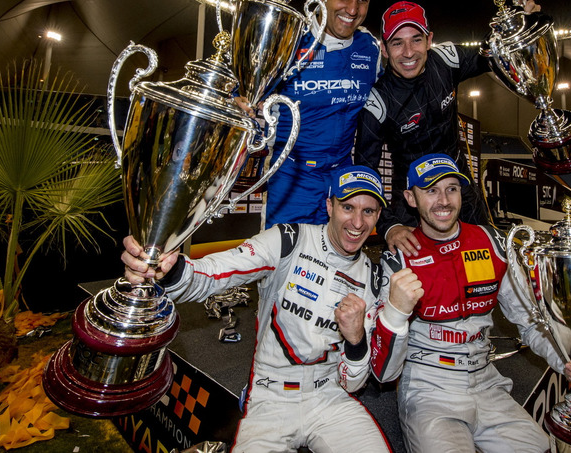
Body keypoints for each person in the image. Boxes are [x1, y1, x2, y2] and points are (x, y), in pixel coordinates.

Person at [122, 165, 392, 453]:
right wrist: (171, 271)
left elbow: (353, 383)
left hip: (331, 398)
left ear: (378, 216)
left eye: (369, 211)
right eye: (348, 207)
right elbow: (216, 272)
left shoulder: (373, 278)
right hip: (271, 397)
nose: (358, 222)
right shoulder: (289, 240)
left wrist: (356, 341)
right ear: (329, 206)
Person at [368, 153, 571, 453]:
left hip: (486, 382)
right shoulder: (399, 258)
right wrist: (395, 313)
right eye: (431, 190)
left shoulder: (493, 243)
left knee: (540, 448)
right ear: (411, 198)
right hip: (428, 388)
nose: (443, 200)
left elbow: (531, 323)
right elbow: (384, 372)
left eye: (452, 188)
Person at [354, 0, 539, 257]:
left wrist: (516, 29)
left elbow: (494, 54)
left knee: (489, 269)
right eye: (397, 43)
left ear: (429, 40)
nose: (408, 52)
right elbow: (363, 174)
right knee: (413, 288)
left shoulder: (448, 59)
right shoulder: (377, 102)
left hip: (461, 191)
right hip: (409, 203)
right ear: (384, 49)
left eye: (416, 40)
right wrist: (389, 226)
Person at [261, 0, 382, 229]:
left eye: (362, 0)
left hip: (343, 180)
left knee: (338, 268)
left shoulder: (371, 49)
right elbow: (244, 97)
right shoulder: (287, 42)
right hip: (292, 179)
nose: (353, 10)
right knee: (285, 266)